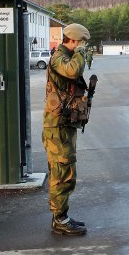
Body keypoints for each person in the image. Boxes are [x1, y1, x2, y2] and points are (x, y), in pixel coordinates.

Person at [42, 23, 91, 235]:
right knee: (61, 171)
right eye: (81, 43)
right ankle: (59, 219)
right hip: (57, 126)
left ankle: (62, 216)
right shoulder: (58, 58)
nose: (82, 47)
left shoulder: (66, 57)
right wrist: (80, 53)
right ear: (74, 40)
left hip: (64, 124)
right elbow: (72, 71)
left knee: (67, 169)